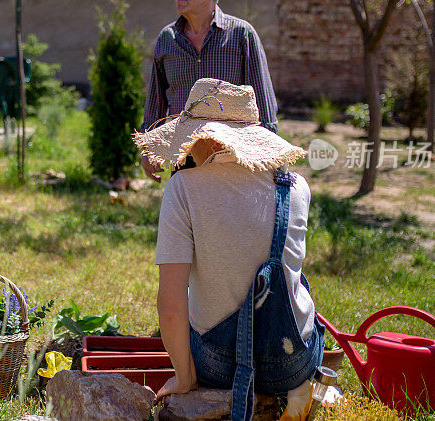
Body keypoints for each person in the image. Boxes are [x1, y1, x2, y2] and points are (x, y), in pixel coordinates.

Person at [133, 78, 324, 421]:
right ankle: (306, 386)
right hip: (291, 359)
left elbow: (172, 307)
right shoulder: (296, 186)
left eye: (188, 139)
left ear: (202, 140)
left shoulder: (184, 189)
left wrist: (186, 377)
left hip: (219, 365)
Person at [140, 0, 278, 182]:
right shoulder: (167, 38)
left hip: (234, 158)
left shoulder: (241, 34)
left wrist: (264, 153)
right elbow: (156, 100)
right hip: (183, 157)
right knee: (189, 218)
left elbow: (263, 101)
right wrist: (149, 148)